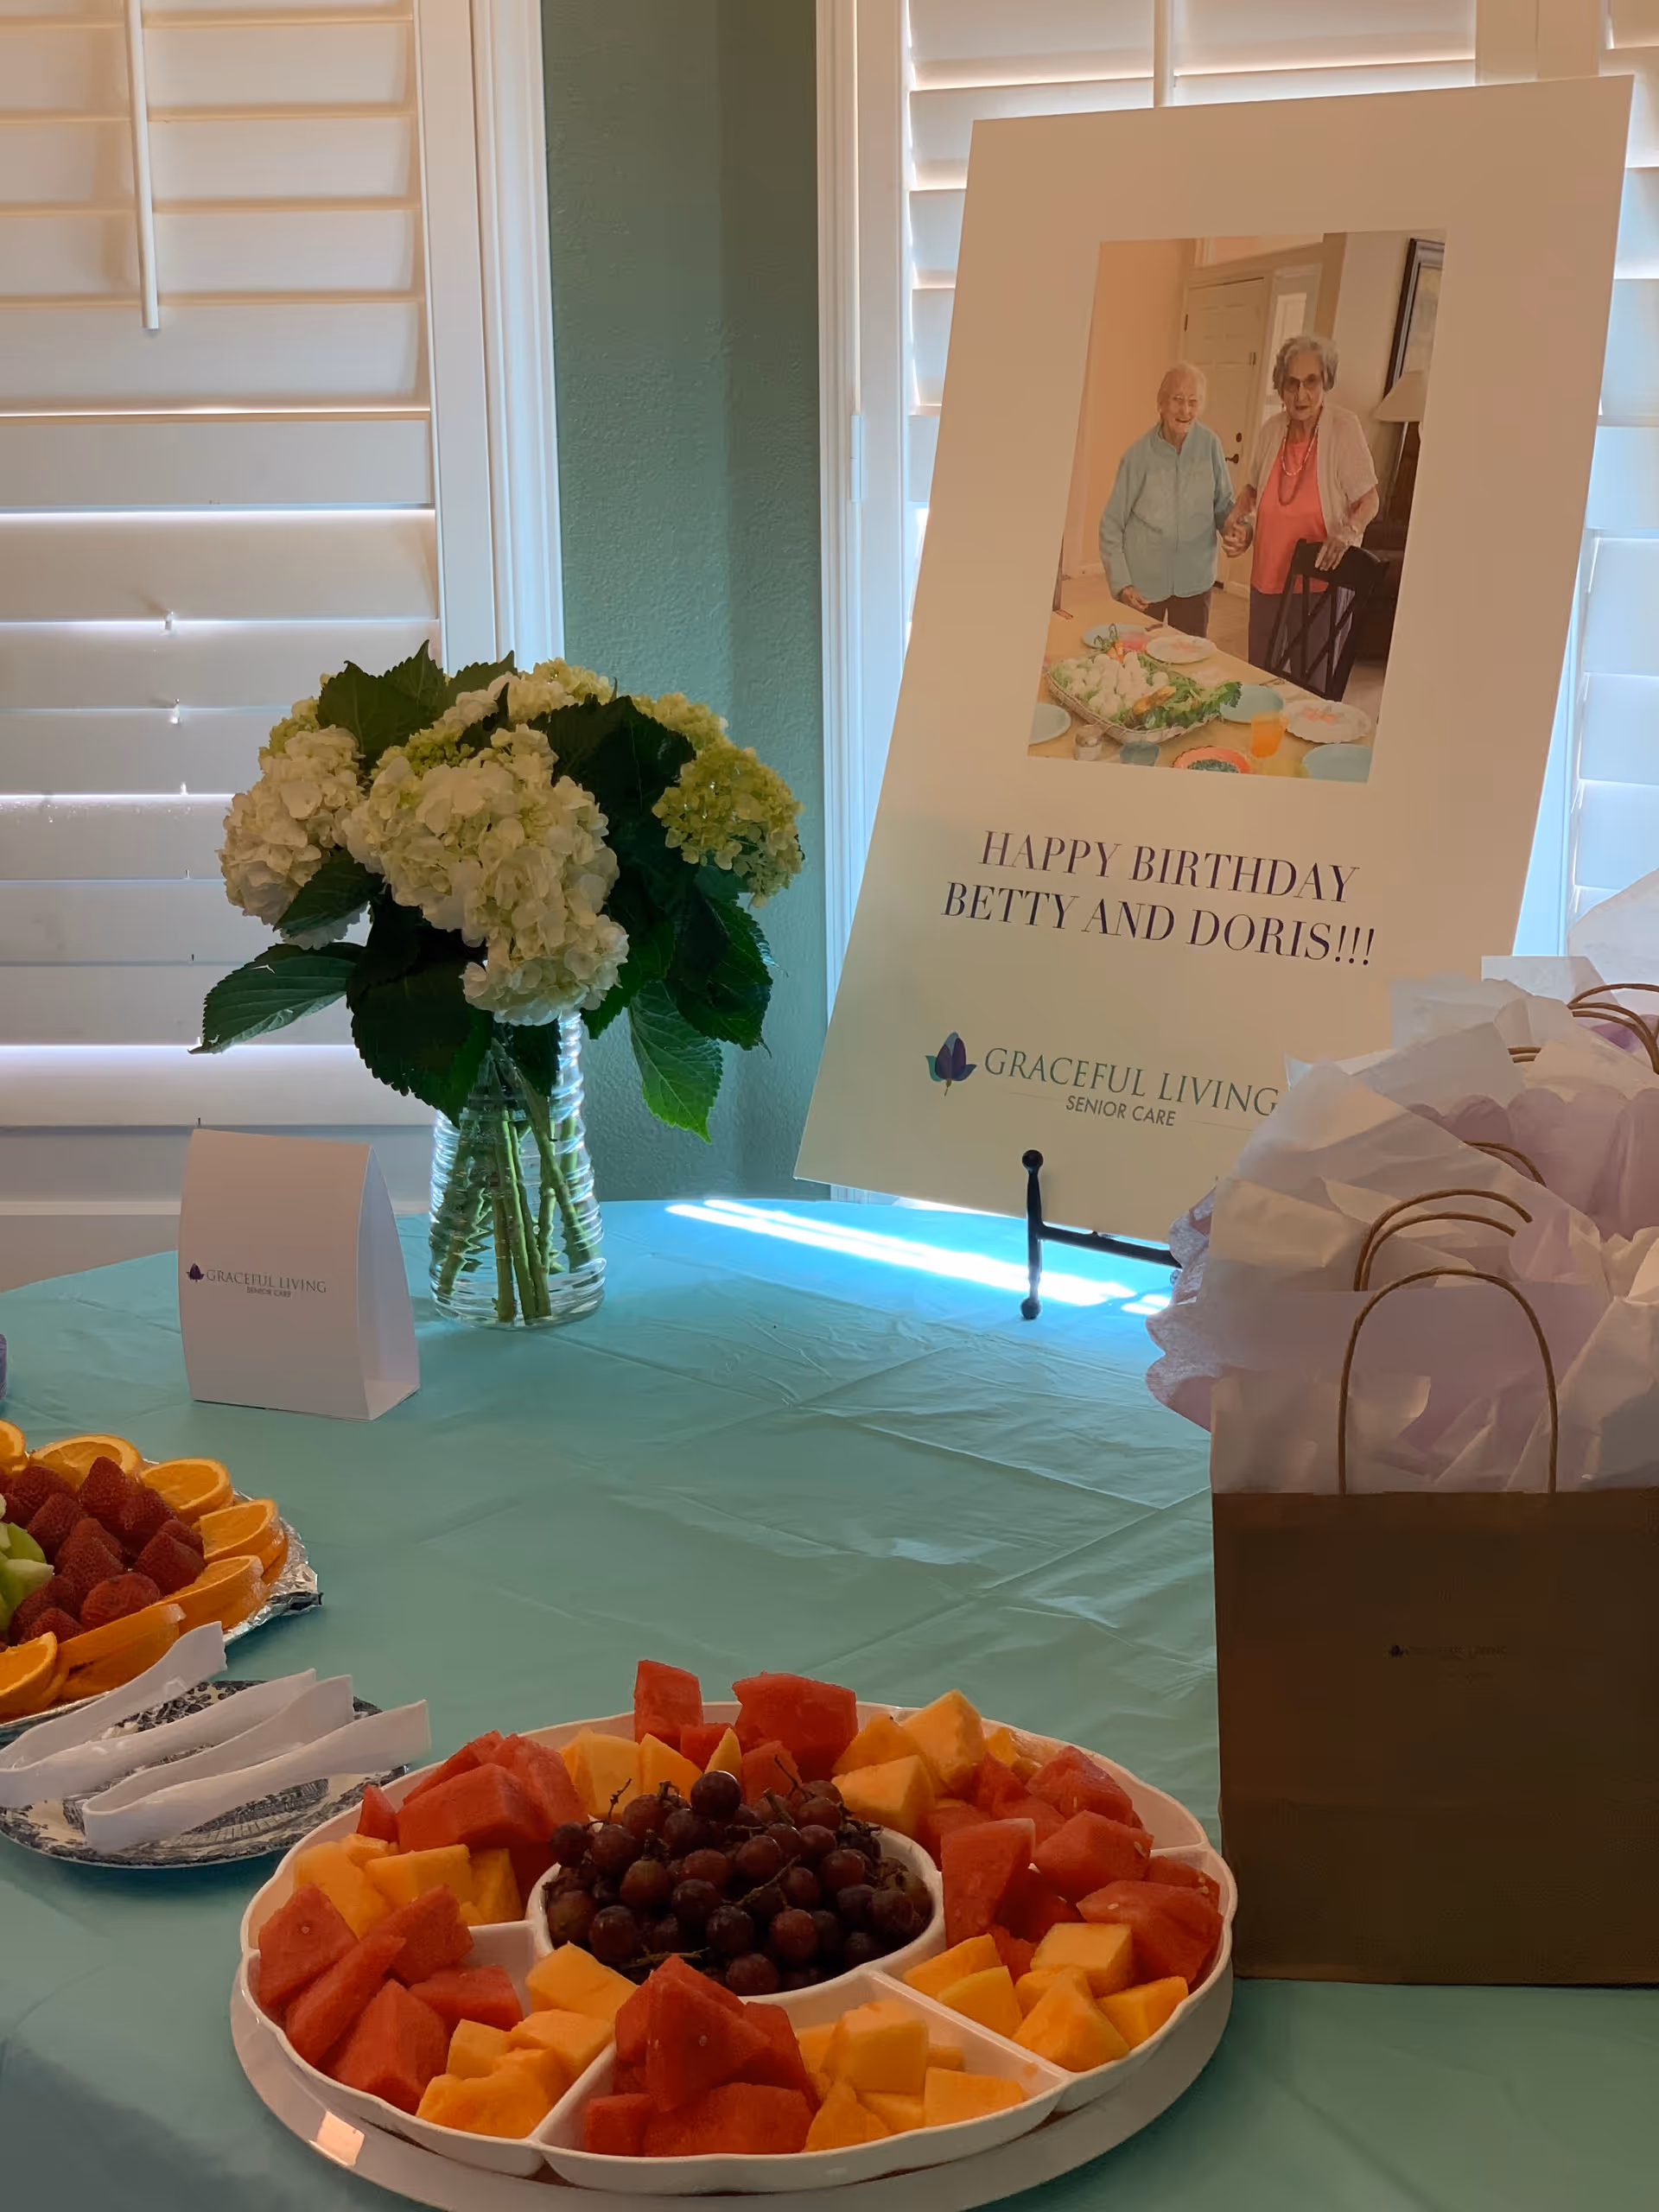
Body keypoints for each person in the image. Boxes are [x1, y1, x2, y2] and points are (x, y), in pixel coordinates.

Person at [1223, 334, 1379, 671]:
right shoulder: (1271, 431)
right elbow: (1252, 489)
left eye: (1311, 382)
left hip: (1318, 586)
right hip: (1266, 579)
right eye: (1291, 384)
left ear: (1326, 382)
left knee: (1312, 684)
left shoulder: (1342, 429)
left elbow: (1369, 500)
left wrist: (1347, 531)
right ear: (1281, 389)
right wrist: (1239, 518)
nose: (1301, 394)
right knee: (1259, 676)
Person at [1096, 364, 1236, 637]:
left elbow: (1223, 506)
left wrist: (1237, 529)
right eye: (1178, 400)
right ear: (1161, 403)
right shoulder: (1137, 457)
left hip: (1195, 582)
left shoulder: (1210, 446)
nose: (1186, 411)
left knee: (1189, 662)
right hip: (1144, 585)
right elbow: (1110, 526)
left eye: (1193, 402)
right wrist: (1122, 584)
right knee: (1138, 664)